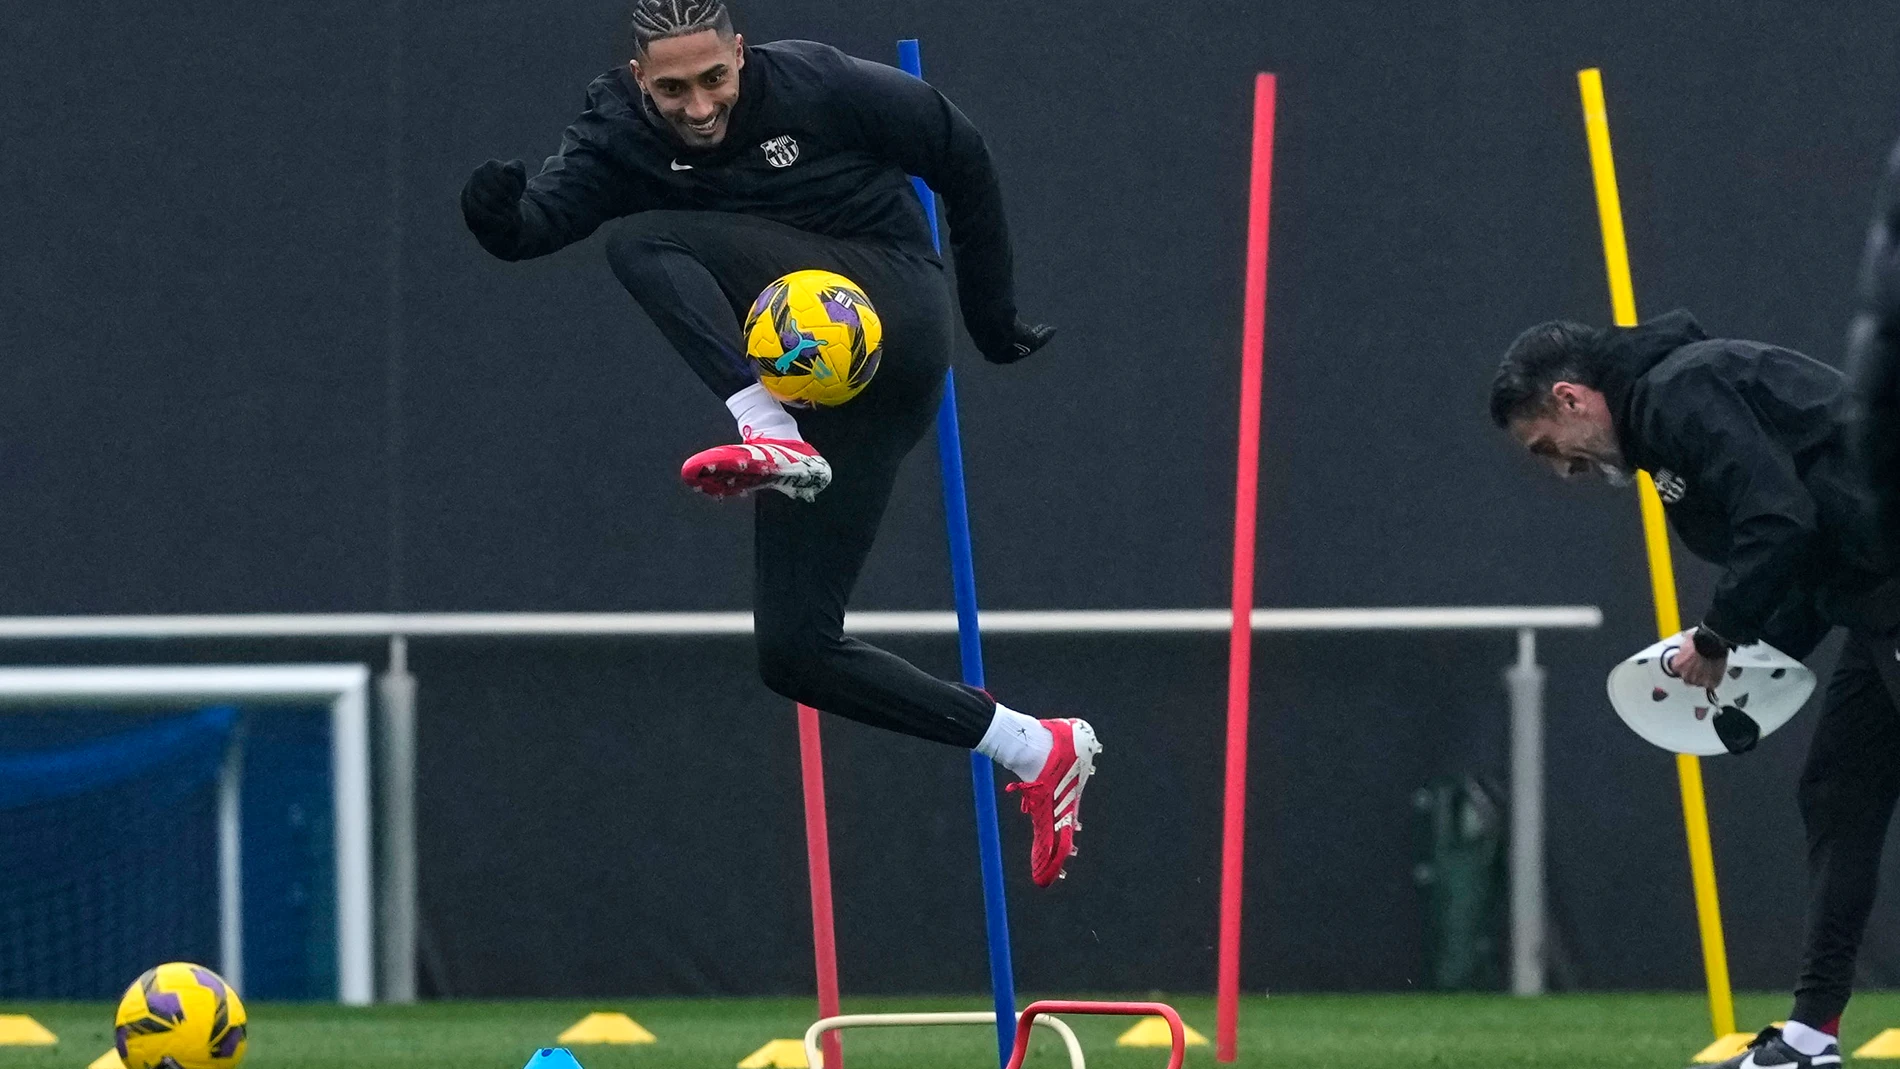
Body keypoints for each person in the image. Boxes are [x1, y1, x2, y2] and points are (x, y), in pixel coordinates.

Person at [458, 0, 1098, 887]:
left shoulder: (820, 84)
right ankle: (1033, 746)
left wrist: (991, 319)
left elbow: (961, 151)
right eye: (673, 90)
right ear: (640, 80)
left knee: (642, 241)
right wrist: (495, 219)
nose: (699, 107)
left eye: (714, 79)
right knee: (796, 651)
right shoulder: (616, 134)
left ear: (742, 54)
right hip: (828, 396)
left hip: (895, 316)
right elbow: (536, 225)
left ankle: (766, 431)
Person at [1489, 309, 1898, 1069]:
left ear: (1571, 398)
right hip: (1873, 595)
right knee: (1839, 793)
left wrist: (1715, 637)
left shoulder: (1679, 392)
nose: (1562, 470)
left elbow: (1779, 520)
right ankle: (1810, 1038)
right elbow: (1813, 544)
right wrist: (1750, 652)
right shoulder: (1664, 420)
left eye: (1547, 446)